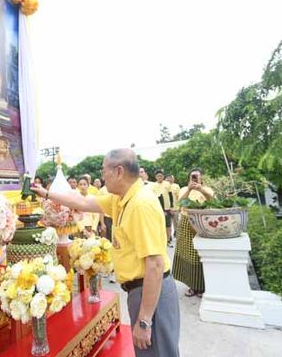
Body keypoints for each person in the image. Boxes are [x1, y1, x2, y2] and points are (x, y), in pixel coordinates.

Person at [31, 149, 180, 356]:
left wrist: (145, 321)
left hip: (151, 292)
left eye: (104, 171)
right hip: (140, 290)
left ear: (119, 171)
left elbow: (154, 264)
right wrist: (46, 193)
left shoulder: (140, 204)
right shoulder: (121, 199)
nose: (102, 177)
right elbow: (82, 203)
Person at [172, 168, 214, 298]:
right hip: (186, 222)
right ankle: (192, 285)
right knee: (187, 253)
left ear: (202, 178)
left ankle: (203, 286)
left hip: (202, 222)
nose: (194, 179)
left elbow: (213, 201)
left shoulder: (207, 189)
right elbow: (180, 203)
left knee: (200, 254)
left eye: (197, 176)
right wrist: (190, 189)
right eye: (192, 177)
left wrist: (201, 189)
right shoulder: (184, 189)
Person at [148, 170, 173, 246]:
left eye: (161, 176)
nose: (160, 177)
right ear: (156, 177)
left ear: (163, 177)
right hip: (157, 207)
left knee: (168, 225)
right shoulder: (152, 185)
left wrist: (172, 207)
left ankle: (168, 240)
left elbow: (170, 195)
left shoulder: (167, 184)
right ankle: (159, 240)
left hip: (167, 207)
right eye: (158, 176)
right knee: (158, 224)